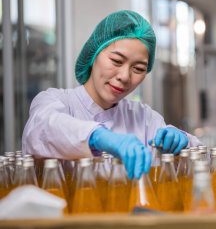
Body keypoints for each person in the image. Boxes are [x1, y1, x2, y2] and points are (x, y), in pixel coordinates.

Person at [22, 10, 201, 179]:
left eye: (138, 69)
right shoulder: (56, 101)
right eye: (116, 61)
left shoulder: (144, 118)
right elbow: (41, 129)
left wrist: (183, 144)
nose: (124, 76)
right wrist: (97, 137)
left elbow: (206, 163)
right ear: (93, 54)